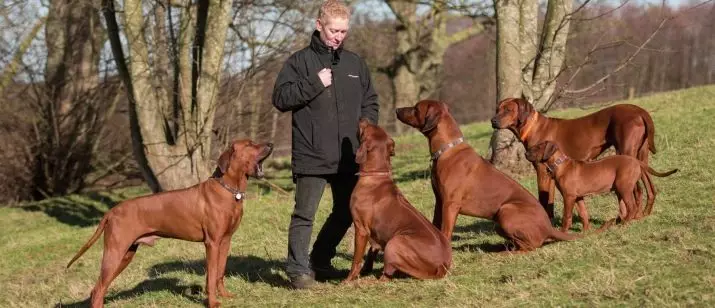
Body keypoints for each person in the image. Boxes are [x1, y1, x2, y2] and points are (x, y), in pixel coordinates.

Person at [271, 0, 379, 289]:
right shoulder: (298, 62)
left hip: (348, 155)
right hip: (312, 154)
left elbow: (370, 100)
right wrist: (314, 84)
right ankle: (297, 271)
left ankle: (320, 260)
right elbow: (280, 98)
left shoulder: (355, 63)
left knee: (346, 210)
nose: (338, 37)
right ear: (319, 26)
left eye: (343, 32)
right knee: (305, 214)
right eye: (334, 30)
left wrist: (366, 126)